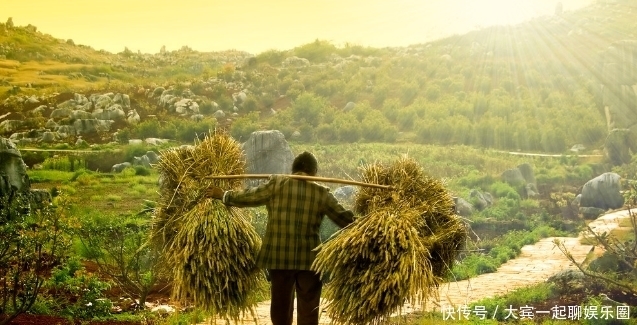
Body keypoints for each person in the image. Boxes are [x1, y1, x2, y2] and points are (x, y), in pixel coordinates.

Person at [206, 151, 354, 325]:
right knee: (309, 310)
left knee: (280, 308)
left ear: (293, 170)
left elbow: (249, 197)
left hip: (279, 258)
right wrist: (371, 222)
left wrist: (224, 195)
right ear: (314, 172)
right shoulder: (321, 193)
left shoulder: (277, 184)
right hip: (309, 261)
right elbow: (345, 219)